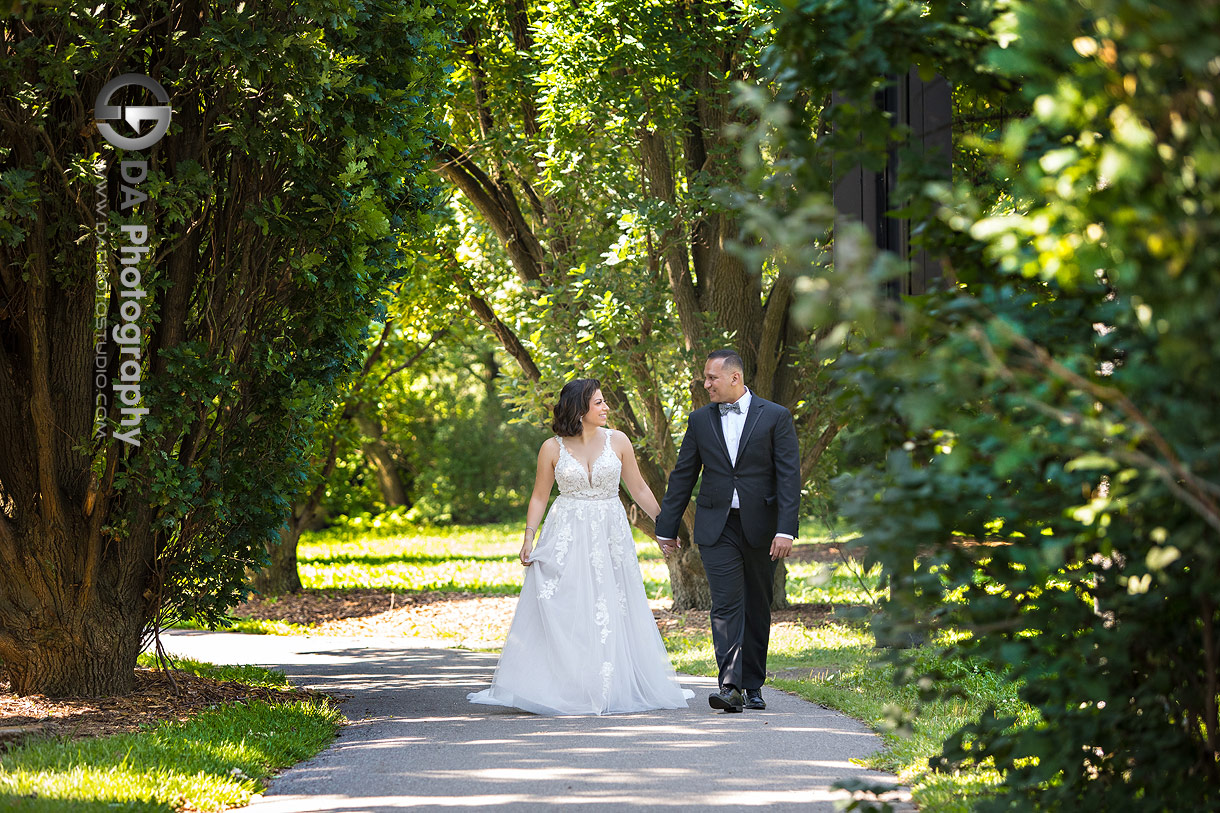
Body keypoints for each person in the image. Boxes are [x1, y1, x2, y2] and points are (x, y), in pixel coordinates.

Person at [468, 378, 693, 715]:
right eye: (599, 402)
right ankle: (567, 684)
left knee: (610, 603)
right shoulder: (551, 448)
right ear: (580, 408)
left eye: (604, 402)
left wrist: (665, 525)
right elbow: (540, 495)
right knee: (569, 602)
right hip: (566, 532)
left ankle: (608, 683)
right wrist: (529, 537)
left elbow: (639, 488)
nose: (606, 408)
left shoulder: (618, 441)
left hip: (609, 532)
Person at [655, 349, 801, 713]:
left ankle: (754, 686)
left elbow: (788, 477)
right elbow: (683, 475)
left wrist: (786, 530)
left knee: (757, 605)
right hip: (716, 527)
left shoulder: (776, 417)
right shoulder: (700, 421)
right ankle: (730, 686)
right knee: (725, 604)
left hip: (762, 528)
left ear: (734, 377)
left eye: (711, 378)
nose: (706, 385)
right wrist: (666, 527)